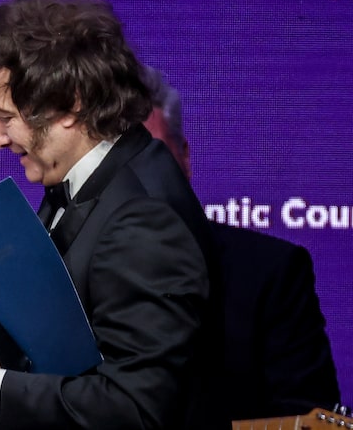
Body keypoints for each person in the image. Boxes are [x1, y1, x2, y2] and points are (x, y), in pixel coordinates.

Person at [0, 0, 229, 429]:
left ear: (69, 105)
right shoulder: (92, 178)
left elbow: (134, 408)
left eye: (6, 117)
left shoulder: (143, 220)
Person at [140, 65, 340, 420]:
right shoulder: (63, 269)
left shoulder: (270, 274)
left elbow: (307, 413)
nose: (138, 180)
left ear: (184, 158)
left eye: (152, 157)